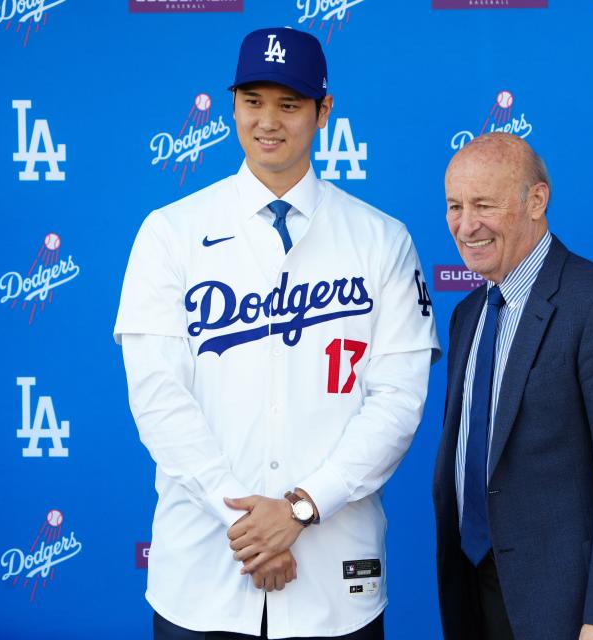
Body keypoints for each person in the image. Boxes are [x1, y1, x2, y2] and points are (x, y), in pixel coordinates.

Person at [115, 27, 439, 640]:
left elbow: (398, 401)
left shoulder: (382, 240)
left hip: (335, 579)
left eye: (289, 104)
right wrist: (249, 524)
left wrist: (300, 508)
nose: (269, 121)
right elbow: (159, 398)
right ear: (232, 106)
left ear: (323, 112)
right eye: (253, 101)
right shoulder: (169, 232)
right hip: (204, 576)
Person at [433, 132, 593, 640]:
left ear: (536, 200)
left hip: (575, 612)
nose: (466, 225)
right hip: (480, 595)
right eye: (454, 206)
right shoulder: (467, 316)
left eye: (484, 204)